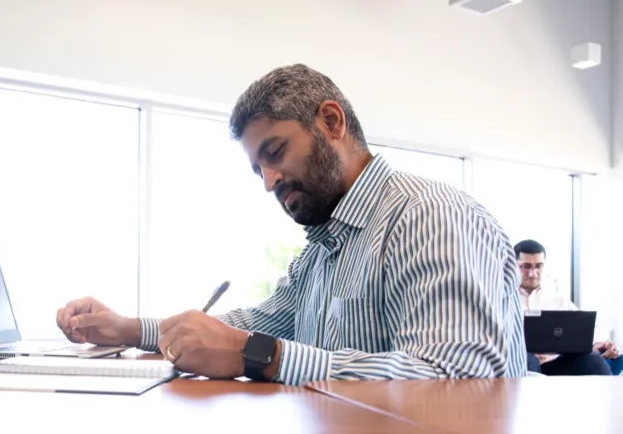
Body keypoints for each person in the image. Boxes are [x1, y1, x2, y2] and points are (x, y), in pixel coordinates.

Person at [56, 63, 528, 386]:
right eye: (257, 169)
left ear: (331, 121)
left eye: (275, 153)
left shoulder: (431, 216)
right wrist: (129, 328)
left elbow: (459, 379)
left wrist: (258, 356)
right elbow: (258, 323)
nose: (268, 182)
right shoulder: (323, 250)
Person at [515, 239, 619, 375]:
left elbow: (583, 331)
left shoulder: (558, 301)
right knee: (529, 359)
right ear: (514, 265)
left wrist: (599, 344)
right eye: (526, 266)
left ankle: (614, 397)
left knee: (594, 360)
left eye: (538, 266)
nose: (533, 273)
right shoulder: (503, 300)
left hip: (555, 364)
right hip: (522, 364)